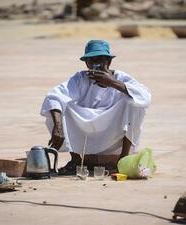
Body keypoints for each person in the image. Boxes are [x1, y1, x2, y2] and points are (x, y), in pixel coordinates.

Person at [41, 40, 151, 175]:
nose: (95, 65)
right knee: (61, 106)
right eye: (91, 61)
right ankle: (75, 161)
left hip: (113, 131)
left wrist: (112, 83)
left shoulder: (121, 77)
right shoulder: (80, 78)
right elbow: (54, 96)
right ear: (86, 63)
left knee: (134, 103)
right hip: (86, 129)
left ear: (109, 62)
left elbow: (145, 97)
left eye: (100, 60)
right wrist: (57, 127)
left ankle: (122, 160)